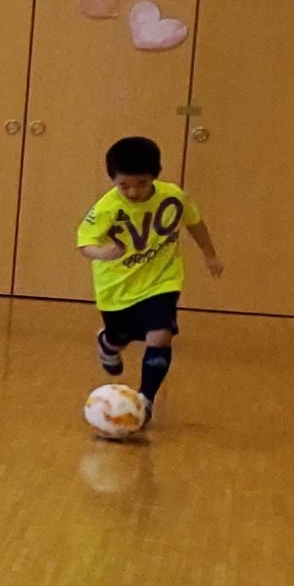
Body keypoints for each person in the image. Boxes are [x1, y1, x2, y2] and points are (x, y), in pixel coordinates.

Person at [77, 135, 223, 417]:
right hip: (117, 287)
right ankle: (108, 344)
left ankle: (145, 399)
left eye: (141, 183)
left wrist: (210, 255)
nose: (133, 192)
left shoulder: (173, 197)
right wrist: (103, 253)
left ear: (155, 175)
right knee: (120, 336)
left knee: (160, 335)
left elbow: (194, 222)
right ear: (113, 179)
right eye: (124, 185)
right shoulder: (106, 208)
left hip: (162, 280)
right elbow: (85, 244)